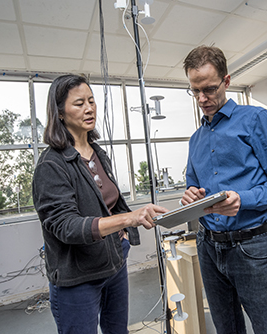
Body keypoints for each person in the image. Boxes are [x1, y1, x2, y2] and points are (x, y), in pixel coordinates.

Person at [32, 74, 168, 334]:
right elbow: (66, 226)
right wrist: (129, 219)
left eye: (92, 101)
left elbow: (111, 200)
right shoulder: (52, 164)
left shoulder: (98, 153)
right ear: (60, 113)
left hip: (114, 264)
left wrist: (124, 236)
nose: (89, 108)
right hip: (78, 278)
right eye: (79, 103)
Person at [181, 45, 267, 334]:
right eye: (194, 91)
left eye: (209, 89)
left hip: (252, 247)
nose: (202, 99)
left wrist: (242, 199)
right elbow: (192, 184)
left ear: (227, 81)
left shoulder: (255, 119)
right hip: (208, 246)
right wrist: (191, 195)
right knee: (226, 328)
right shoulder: (196, 139)